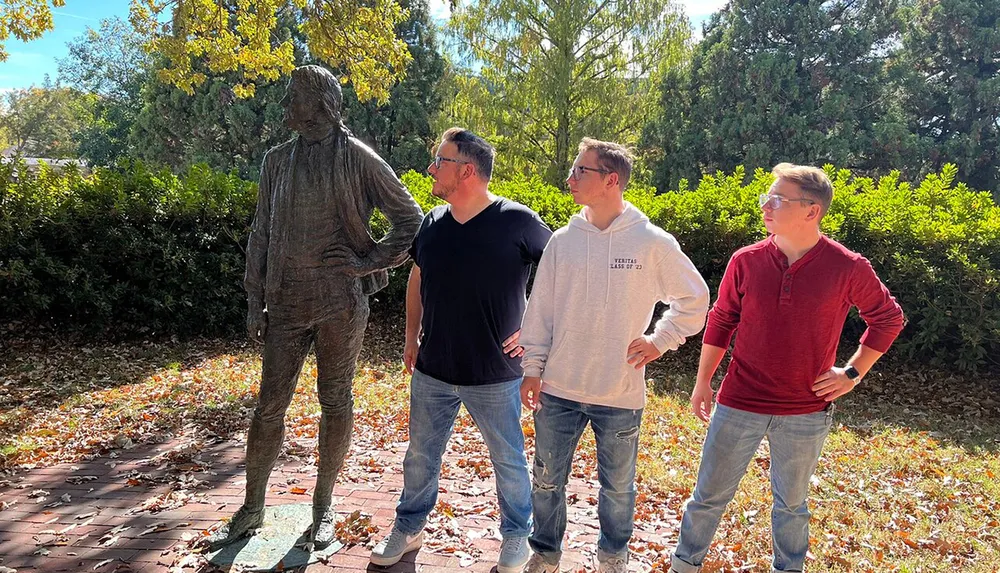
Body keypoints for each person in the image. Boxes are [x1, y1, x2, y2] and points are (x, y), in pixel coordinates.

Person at [208, 65, 423, 550]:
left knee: (336, 401)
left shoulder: (359, 159)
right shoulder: (276, 161)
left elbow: (410, 221)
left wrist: (367, 261)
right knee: (268, 408)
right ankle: (252, 505)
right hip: (284, 302)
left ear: (320, 103)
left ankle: (323, 508)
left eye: (294, 98)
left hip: (338, 304)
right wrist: (253, 297)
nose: (286, 107)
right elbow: (261, 230)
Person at [670, 163, 906, 573]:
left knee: (792, 506)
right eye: (767, 197)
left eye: (776, 199)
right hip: (739, 401)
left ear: (811, 210)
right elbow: (722, 318)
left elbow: (888, 318)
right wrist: (703, 381)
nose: (765, 206)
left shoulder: (847, 266)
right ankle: (684, 566)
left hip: (805, 411)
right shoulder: (746, 260)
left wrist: (850, 374)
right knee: (707, 496)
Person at [519, 138, 711, 573]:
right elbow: (541, 310)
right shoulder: (563, 242)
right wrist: (532, 368)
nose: (569, 179)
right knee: (547, 480)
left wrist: (660, 340)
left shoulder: (651, 243)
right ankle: (545, 553)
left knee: (618, 488)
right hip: (559, 388)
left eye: (580, 172)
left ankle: (612, 556)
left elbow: (695, 299)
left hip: (620, 394)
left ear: (611, 180)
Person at [370, 128, 553, 573]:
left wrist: (536, 330)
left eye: (440, 160)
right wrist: (411, 336)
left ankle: (515, 537)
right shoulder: (431, 222)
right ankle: (409, 527)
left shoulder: (518, 221)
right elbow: (417, 278)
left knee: (507, 458)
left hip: (496, 372)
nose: (431, 168)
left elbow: (560, 277)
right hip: (434, 368)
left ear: (467, 170)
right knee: (420, 455)